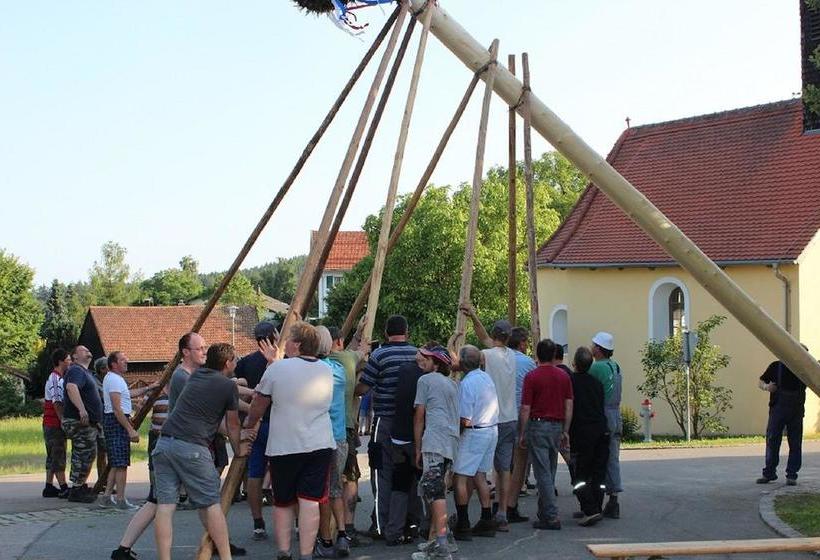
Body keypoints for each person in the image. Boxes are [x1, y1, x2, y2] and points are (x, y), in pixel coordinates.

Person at [244, 321, 335, 560]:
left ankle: (284, 550)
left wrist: (248, 424)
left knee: (283, 500)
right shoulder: (325, 369)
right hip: (319, 443)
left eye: (289, 339)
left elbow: (258, 405)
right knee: (310, 499)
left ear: (296, 344)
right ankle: (306, 552)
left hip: (285, 445)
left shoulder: (277, 369)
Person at [152, 342, 243, 560]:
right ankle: (226, 556)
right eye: (235, 361)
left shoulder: (195, 376)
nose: (236, 364)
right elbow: (233, 424)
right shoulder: (227, 386)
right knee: (212, 504)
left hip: (164, 444)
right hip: (192, 447)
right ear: (227, 362)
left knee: (165, 506)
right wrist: (239, 449)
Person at [354, 315, 418, 538]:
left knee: (382, 474)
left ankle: (382, 525)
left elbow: (363, 388)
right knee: (409, 474)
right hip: (411, 422)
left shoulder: (380, 354)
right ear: (406, 331)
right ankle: (410, 523)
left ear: (386, 333)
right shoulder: (416, 354)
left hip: (384, 420)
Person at [459, 304, 517, 531]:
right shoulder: (512, 355)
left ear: (494, 337)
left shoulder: (487, 356)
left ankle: (472, 510)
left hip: (491, 419)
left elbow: (480, 345)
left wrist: (473, 315)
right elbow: (486, 338)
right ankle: (502, 511)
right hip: (510, 417)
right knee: (504, 468)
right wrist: (474, 316)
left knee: (476, 468)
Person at [518, 339, 573, 530]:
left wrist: (523, 432)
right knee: (549, 470)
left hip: (538, 425)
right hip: (557, 426)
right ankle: (544, 513)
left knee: (542, 473)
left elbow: (526, 407)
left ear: (537, 354)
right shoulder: (563, 376)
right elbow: (568, 405)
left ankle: (550, 515)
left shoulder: (532, 377)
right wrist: (566, 430)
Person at [412, 346, 458, 560]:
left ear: (436, 364)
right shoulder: (452, 384)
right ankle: (443, 538)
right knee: (437, 489)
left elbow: (419, 414)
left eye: (428, 358)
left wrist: (418, 447)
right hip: (450, 441)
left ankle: (441, 546)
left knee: (434, 490)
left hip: (435, 440)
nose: (423, 361)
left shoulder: (426, 380)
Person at [327, 325, 372, 549]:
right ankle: (348, 529)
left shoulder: (321, 362)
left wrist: (355, 335)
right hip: (344, 427)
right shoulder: (347, 359)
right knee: (349, 479)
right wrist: (362, 341)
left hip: (320, 431)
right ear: (339, 341)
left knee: (326, 484)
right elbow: (361, 351)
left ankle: (323, 532)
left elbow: (353, 350)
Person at [451, 345, 499, 541]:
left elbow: (465, 418)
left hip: (474, 432)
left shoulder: (467, 384)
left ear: (462, 363)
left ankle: (463, 523)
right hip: (490, 429)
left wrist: (456, 435)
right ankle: (486, 518)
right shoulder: (485, 377)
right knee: (480, 475)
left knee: (459, 478)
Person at [384, 341, 430, 546]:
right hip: (417, 438)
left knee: (400, 486)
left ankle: (394, 530)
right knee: (424, 485)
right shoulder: (427, 379)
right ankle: (425, 526)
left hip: (398, 437)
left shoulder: (404, 370)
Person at [236, 321, 278, 541]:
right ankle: (296, 522)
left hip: (255, 423)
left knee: (255, 472)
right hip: (278, 423)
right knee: (283, 472)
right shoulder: (283, 361)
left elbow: (238, 390)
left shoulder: (246, 362)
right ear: (275, 335)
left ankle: (258, 523)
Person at [315, 326, 352, 557]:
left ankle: (325, 540)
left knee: (321, 493)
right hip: (339, 437)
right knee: (336, 488)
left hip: (317, 438)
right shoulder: (339, 369)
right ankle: (341, 534)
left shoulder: (313, 370)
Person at [100, 351, 154, 510]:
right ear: (114, 364)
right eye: (123, 360)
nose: (127, 361)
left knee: (115, 463)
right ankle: (121, 499)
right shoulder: (114, 380)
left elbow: (127, 394)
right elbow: (117, 409)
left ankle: (106, 497)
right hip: (117, 421)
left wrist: (148, 388)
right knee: (121, 463)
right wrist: (130, 429)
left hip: (114, 420)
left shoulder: (115, 379)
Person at [567, 346, 609, 526]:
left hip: (582, 433)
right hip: (601, 431)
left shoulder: (571, 382)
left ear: (574, 363)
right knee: (598, 474)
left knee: (579, 476)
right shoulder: (597, 384)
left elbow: (569, 408)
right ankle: (596, 507)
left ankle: (590, 509)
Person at [756, 348, 809, 486]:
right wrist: (767, 387)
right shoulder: (776, 366)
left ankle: (792, 475)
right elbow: (760, 381)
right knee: (772, 441)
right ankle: (769, 473)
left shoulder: (806, 368)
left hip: (796, 410)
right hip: (777, 409)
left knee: (795, 443)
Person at [62, 345, 103, 503]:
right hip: (79, 421)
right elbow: (71, 388)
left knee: (88, 452)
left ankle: (80, 485)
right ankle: (77, 488)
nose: (87, 351)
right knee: (83, 453)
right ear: (75, 357)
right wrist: (82, 410)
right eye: (83, 350)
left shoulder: (86, 372)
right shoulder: (76, 371)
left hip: (88, 422)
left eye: (88, 349)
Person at [588, 331, 623, 519]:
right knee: (613, 458)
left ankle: (599, 502)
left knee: (601, 459)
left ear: (599, 349)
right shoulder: (615, 366)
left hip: (604, 415)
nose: (591, 348)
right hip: (616, 414)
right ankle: (614, 498)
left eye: (594, 345)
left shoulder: (597, 368)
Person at [505, 327, 535, 523]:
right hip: (520, 415)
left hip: (499, 415)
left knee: (501, 465)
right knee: (519, 464)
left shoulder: (498, 359)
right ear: (522, 342)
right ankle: (511, 505)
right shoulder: (529, 363)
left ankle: (496, 505)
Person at [42, 348, 70, 498]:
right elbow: (57, 402)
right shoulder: (55, 379)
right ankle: (64, 487)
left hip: (51, 423)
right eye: (68, 359)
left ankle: (48, 486)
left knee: (52, 455)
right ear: (61, 361)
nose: (70, 362)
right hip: (54, 424)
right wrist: (63, 421)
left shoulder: (58, 378)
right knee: (58, 454)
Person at [93, 356, 110, 487]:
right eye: (107, 367)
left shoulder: (108, 380)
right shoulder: (95, 382)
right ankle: (102, 482)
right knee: (102, 451)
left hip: (107, 420)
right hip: (100, 421)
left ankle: (106, 482)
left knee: (106, 451)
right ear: (102, 369)